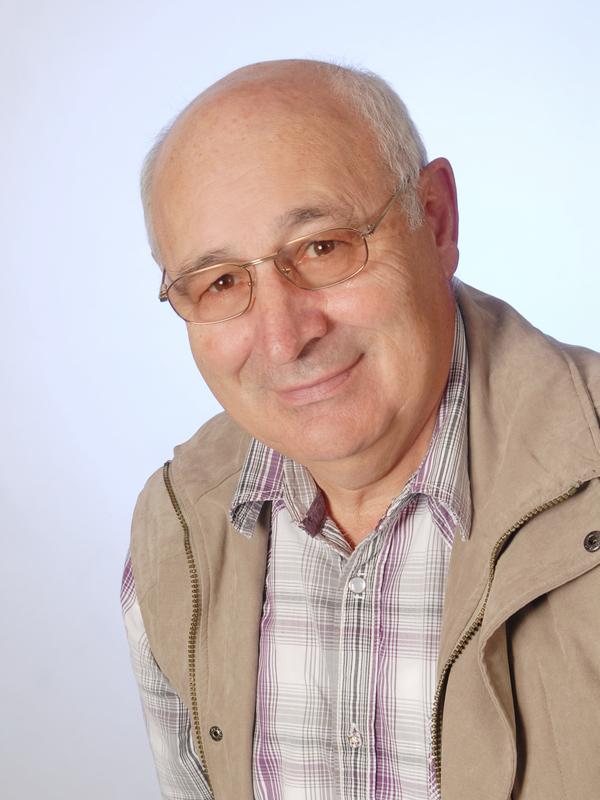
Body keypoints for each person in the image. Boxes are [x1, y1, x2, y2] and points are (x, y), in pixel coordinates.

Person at [121, 59, 600, 800]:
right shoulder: (176, 525)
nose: (284, 338)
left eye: (323, 247)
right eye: (221, 282)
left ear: (435, 219)